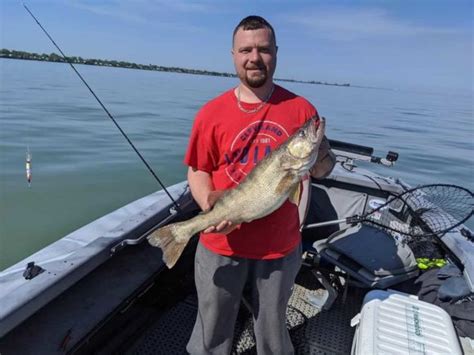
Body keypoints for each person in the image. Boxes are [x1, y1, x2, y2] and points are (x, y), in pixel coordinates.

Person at [184, 15, 336, 354]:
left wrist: (320, 151)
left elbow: (322, 171)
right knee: (212, 331)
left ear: (276, 53)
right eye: (246, 50)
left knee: (271, 330)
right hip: (221, 243)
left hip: (279, 247)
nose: (255, 57)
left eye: (264, 49)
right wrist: (209, 201)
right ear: (234, 55)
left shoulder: (302, 110)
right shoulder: (211, 113)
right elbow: (197, 170)